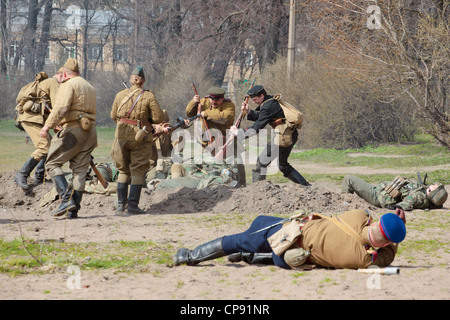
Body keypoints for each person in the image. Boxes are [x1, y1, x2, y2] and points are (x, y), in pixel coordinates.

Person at [173, 208, 406, 270]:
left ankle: (191, 256)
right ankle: (249, 257)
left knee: (243, 238)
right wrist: (395, 237)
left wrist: (396, 221)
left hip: (286, 233)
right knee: (261, 230)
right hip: (289, 259)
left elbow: (369, 218)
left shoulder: (358, 216)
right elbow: (387, 257)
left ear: (375, 223)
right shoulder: (364, 260)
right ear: (385, 242)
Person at [40, 58, 97, 219]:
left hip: (74, 129)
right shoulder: (89, 86)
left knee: (52, 163)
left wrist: (47, 126)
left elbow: (61, 107)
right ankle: (73, 210)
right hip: (91, 131)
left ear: (65, 74)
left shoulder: (68, 85)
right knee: (80, 170)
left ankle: (67, 200)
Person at [110, 66, 166, 214]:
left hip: (120, 137)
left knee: (123, 171)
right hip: (140, 137)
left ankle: (121, 205)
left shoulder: (120, 95)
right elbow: (159, 118)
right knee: (137, 171)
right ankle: (133, 206)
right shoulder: (148, 96)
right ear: (143, 81)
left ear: (131, 79)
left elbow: (113, 116)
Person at [229, 85, 310, 186]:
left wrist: (238, 132)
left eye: (255, 99)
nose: (254, 102)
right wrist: (249, 111)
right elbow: (262, 117)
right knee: (283, 165)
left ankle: (258, 189)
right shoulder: (269, 101)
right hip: (289, 134)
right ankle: (305, 185)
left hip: (284, 136)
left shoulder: (268, 106)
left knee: (262, 162)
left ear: (262, 95)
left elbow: (256, 128)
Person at [14, 70, 63, 190]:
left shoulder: (47, 83)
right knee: (44, 146)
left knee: (51, 146)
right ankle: (22, 173)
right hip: (30, 119)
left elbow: (48, 109)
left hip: (34, 119)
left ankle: (39, 176)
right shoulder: (53, 83)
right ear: (61, 75)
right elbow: (57, 107)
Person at [342, 174, 448, 211]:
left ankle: (345, 203)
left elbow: (407, 203)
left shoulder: (418, 196)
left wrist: (396, 207)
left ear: (431, 192)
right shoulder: (427, 197)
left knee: (348, 179)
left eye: (436, 187)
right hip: (381, 192)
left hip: (377, 196)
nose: (435, 184)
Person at [185, 87, 235, 153]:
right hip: (202, 142)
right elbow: (189, 114)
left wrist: (207, 113)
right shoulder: (204, 101)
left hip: (220, 143)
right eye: (212, 99)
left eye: (216, 100)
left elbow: (225, 118)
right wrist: (193, 102)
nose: (214, 102)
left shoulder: (229, 105)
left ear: (222, 98)